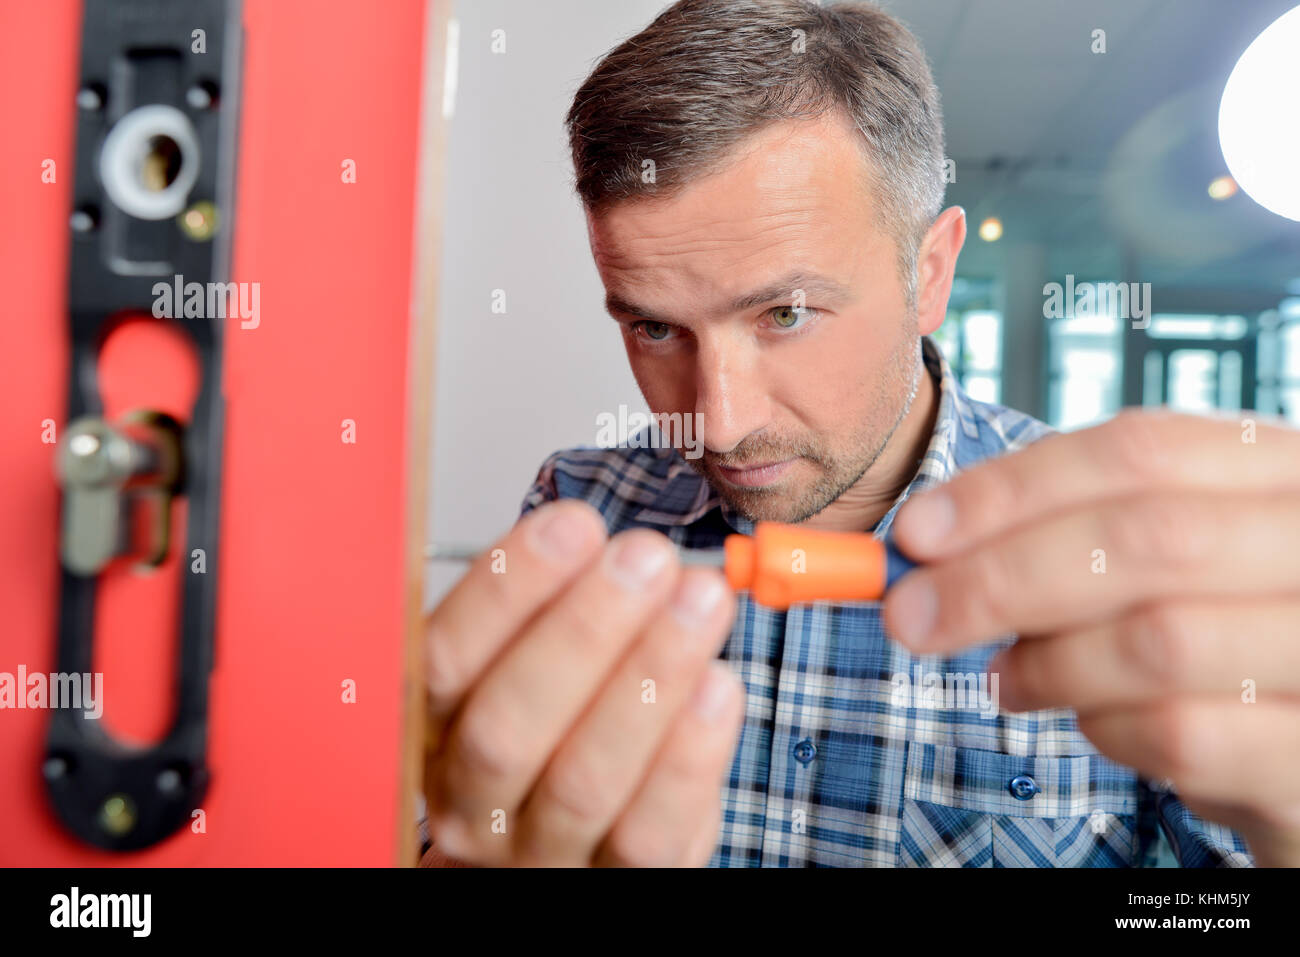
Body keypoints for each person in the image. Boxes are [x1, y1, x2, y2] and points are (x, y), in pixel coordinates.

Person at [420, 0, 1300, 867]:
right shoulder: (580, 509)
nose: (720, 421)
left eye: (787, 312)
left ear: (931, 273)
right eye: (654, 327)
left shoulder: (1110, 556)